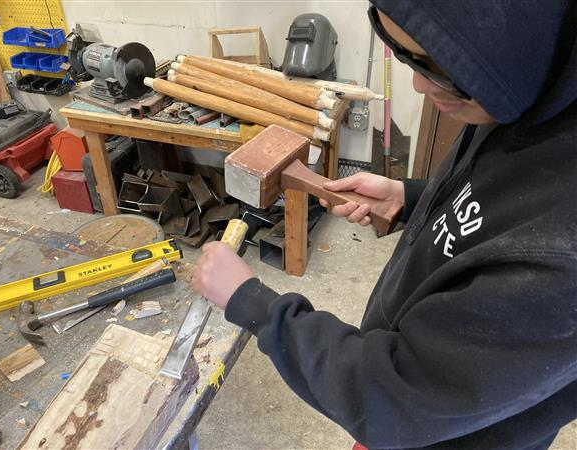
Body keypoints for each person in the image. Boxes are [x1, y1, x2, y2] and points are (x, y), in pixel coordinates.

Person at [192, 1, 577, 448]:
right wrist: (412, 198)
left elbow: (394, 397)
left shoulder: (561, 265)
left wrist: (254, 304)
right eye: (406, 53)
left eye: (443, 68)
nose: (417, 83)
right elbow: (494, 205)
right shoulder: (530, 91)